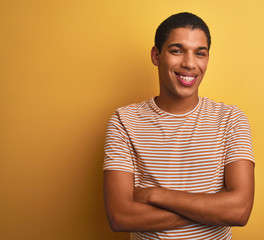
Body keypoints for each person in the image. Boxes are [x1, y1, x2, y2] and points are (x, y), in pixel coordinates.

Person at [103, 12, 255, 240]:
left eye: (200, 53)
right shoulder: (124, 121)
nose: (189, 63)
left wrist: (155, 195)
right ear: (156, 55)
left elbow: (239, 211)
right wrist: (213, 208)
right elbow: (120, 216)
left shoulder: (231, 119)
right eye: (177, 50)